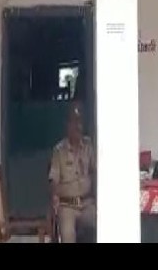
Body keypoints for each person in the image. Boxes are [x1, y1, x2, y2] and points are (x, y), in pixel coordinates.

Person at [48, 102, 96, 243]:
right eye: (74, 122)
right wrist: (54, 197)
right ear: (67, 125)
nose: (78, 126)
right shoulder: (59, 151)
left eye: (80, 122)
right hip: (67, 205)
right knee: (67, 234)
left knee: (102, 224)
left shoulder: (88, 146)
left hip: (87, 203)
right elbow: (53, 179)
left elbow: (96, 171)